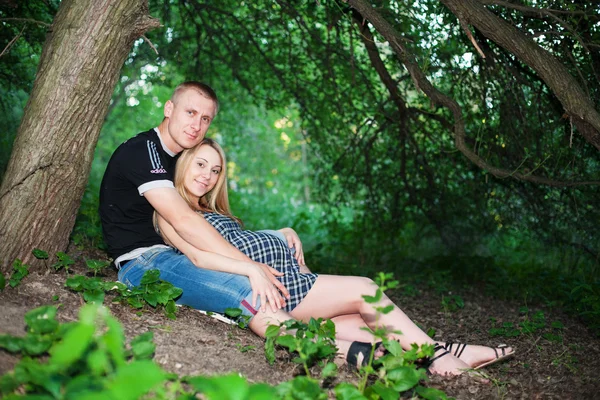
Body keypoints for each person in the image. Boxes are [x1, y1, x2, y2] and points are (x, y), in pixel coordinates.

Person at [153, 138, 515, 375]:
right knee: (366, 289)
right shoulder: (171, 212)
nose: (207, 175)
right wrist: (253, 270)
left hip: (293, 281)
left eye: (215, 170)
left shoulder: (216, 211)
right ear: (184, 164)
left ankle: (441, 353)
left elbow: (244, 240)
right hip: (280, 290)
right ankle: (443, 356)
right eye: (200, 165)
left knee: (369, 326)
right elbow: (198, 258)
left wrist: (282, 234)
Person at [100, 81, 292, 331]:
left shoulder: (181, 158)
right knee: (250, 291)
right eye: (190, 113)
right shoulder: (143, 151)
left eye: (205, 119)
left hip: (176, 255)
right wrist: (251, 266)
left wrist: (278, 236)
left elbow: (206, 220)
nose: (196, 125)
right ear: (169, 109)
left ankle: (351, 349)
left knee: (275, 283)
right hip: (144, 263)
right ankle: (322, 350)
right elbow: (184, 221)